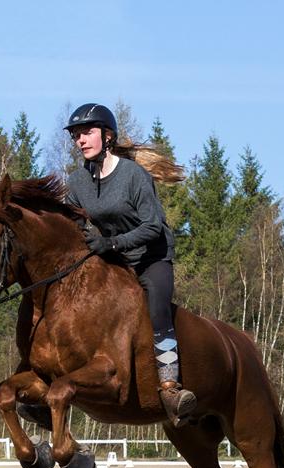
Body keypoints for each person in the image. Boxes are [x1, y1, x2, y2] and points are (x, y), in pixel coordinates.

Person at [63, 102, 195, 426]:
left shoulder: (133, 175)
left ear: (107, 136)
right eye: (76, 135)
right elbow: (72, 226)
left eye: (87, 132)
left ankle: (170, 386)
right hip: (116, 260)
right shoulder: (78, 183)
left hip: (152, 256)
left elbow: (153, 226)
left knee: (157, 309)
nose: (81, 140)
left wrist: (110, 243)